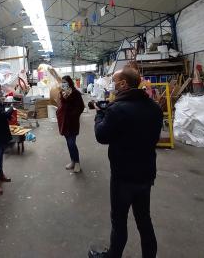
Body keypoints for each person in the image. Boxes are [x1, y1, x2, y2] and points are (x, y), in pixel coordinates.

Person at [89, 67, 163, 258]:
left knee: (119, 221)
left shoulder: (117, 109)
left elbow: (101, 136)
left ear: (123, 84)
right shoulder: (154, 108)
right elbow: (153, 138)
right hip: (146, 173)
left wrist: (99, 115)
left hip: (123, 175)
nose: (112, 86)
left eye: (114, 82)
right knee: (144, 220)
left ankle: (113, 256)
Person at [56, 75, 85, 173]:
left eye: (65, 82)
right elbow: (61, 104)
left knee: (72, 142)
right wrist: (63, 99)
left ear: (69, 82)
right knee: (68, 143)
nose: (63, 84)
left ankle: (77, 163)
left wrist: (73, 115)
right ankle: (72, 161)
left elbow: (81, 107)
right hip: (63, 121)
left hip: (72, 122)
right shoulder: (62, 92)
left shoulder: (76, 93)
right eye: (62, 82)